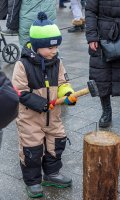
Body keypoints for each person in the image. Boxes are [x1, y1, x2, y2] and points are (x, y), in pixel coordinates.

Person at [12, 12, 77, 198]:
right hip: (30, 118)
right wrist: (40, 103)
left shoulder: (57, 62)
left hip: (54, 116)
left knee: (56, 144)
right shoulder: (22, 65)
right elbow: (19, 92)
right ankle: (32, 181)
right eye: (50, 47)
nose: (54, 50)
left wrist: (69, 95)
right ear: (38, 46)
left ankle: (52, 173)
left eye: (56, 46)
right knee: (31, 149)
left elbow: (64, 83)